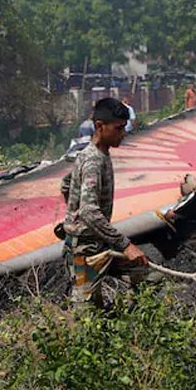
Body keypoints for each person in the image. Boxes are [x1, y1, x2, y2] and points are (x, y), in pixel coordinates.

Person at [61, 97, 148, 307]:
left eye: (124, 127)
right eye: (118, 128)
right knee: (86, 315)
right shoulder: (93, 161)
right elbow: (89, 212)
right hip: (85, 249)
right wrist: (125, 245)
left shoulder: (97, 154)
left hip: (99, 242)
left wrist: (73, 212)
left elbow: (66, 185)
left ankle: (127, 317)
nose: (123, 133)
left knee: (143, 270)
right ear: (100, 126)